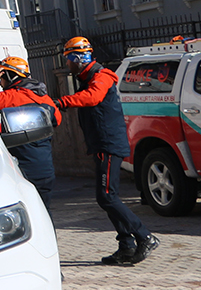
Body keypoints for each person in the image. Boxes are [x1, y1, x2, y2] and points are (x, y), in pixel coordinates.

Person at [55, 37, 159, 266]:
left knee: (106, 196)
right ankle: (126, 246)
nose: (67, 65)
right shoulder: (87, 77)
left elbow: (93, 98)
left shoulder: (101, 76)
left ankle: (144, 236)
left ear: (77, 57)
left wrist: (62, 102)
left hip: (108, 145)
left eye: (68, 59)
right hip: (102, 145)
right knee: (108, 197)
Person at [0, 56, 60, 212]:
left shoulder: (14, 96)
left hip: (24, 171)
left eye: (3, 77)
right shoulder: (43, 97)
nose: (1, 83)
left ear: (10, 76)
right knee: (44, 214)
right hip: (45, 169)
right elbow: (57, 118)